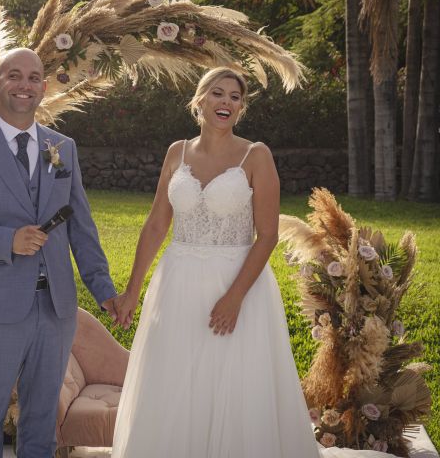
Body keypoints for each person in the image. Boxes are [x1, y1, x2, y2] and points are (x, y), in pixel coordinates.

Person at [109, 67, 398, 458]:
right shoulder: (176, 152)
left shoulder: (255, 155)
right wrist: (131, 290)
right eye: (217, 93)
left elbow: (268, 236)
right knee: (175, 380)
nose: (226, 101)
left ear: (241, 108)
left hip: (237, 283)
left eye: (235, 97)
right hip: (176, 282)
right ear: (199, 100)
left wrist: (234, 297)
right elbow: (158, 223)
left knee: (234, 386)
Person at [0, 48, 117, 458]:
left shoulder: (63, 147)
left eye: (34, 78)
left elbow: (81, 227)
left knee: (41, 419)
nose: (24, 85)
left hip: (56, 308)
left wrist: (103, 288)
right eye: (14, 76)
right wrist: (6, 241)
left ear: (43, 88)